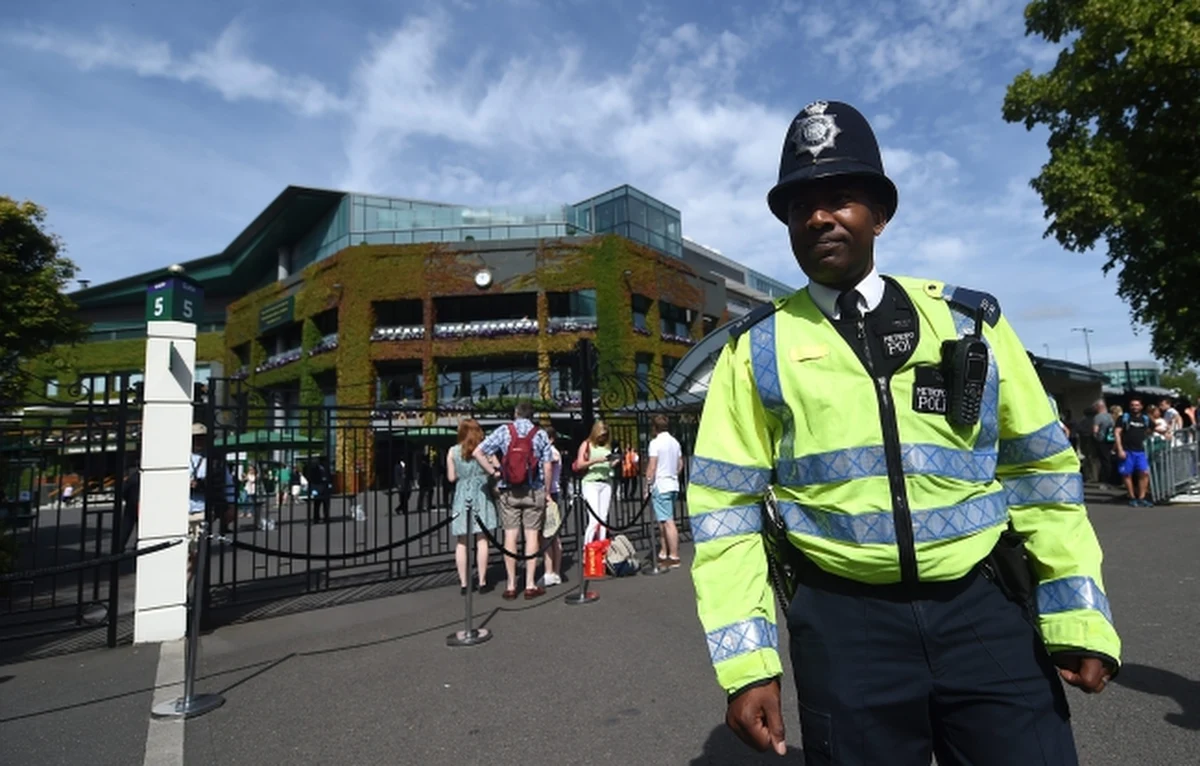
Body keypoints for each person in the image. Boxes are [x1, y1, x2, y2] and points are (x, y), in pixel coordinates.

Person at [687, 101, 1120, 764]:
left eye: (842, 196)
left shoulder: (970, 324)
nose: (820, 216)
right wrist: (748, 665)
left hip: (984, 610)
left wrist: (1076, 616)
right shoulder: (756, 350)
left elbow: (1041, 474)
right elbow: (724, 512)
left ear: (880, 215)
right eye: (801, 204)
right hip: (844, 629)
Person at [474, 400, 554, 600]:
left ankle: (511, 584)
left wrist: (495, 472)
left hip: (509, 490)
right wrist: (546, 491)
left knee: (510, 536)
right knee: (531, 536)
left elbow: (478, 452)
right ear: (532, 415)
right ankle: (529, 583)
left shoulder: (504, 430)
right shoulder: (540, 433)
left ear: (516, 413)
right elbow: (548, 466)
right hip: (533, 490)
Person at [447, 419, 497, 595]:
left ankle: (464, 583)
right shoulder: (484, 449)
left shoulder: (453, 451)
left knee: (462, 541)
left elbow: (451, 477)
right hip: (481, 492)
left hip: (462, 494)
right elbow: (495, 467)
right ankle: (483, 581)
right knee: (482, 539)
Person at [645, 414, 683, 568]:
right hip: (672, 483)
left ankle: (674, 556)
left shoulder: (655, 443)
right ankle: (664, 551)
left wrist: (647, 484)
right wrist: (673, 474)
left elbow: (652, 466)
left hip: (661, 484)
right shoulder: (675, 442)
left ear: (654, 427)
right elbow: (680, 464)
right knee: (664, 519)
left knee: (668, 521)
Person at [576, 420, 617, 545]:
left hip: (606, 481)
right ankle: (587, 549)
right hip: (591, 482)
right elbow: (579, 464)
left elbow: (608, 465)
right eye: (601, 435)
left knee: (603, 519)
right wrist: (596, 460)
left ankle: (602, 548)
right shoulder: (586, 444)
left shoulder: (607, 446)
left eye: (605, 435)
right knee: (594, 520)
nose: (603, 437)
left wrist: (613, 463)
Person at [1115, 397, 1153, 507]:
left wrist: (1167, 432)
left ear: (1141, 406)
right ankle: (1131, 497)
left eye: (1137, 405)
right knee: (1127, 474)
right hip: (1127, 451)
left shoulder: (1145, 419)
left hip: (1141, 451)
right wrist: (1120, 449)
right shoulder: (1124, 418)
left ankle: (1141, 497)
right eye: (1132, 405)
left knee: (1144, 473)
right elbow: (1117, 433)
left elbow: (1153, 428)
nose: (1135, 407)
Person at [540, 426, 565, 587]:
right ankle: (552, 571)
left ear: (551, 439)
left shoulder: (552, 452)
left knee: (549, 535)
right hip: (549, 493)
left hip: (551, 494)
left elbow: (553, 460)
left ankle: (552, 571)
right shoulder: (549, 451)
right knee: (548, 535)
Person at [304, 455, 332, 523]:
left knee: (326, 504)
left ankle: (326, 518)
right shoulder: (314, 468)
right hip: (317, 486)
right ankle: (316, 518)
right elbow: (311, 477)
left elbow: (329, 476)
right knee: (317, 504)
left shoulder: (326, 468)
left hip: (325, 487)